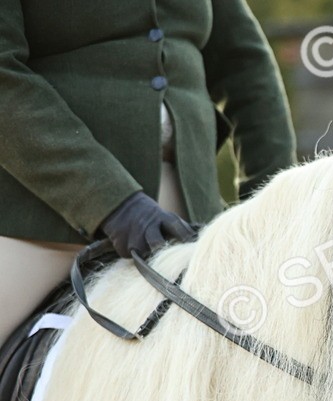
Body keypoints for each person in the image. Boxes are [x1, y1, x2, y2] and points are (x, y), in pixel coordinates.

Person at [0, 0, 297, 337]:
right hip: (37, 224)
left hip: (186, 218)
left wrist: (274, 213)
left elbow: (244, 65)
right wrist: (111, 201)